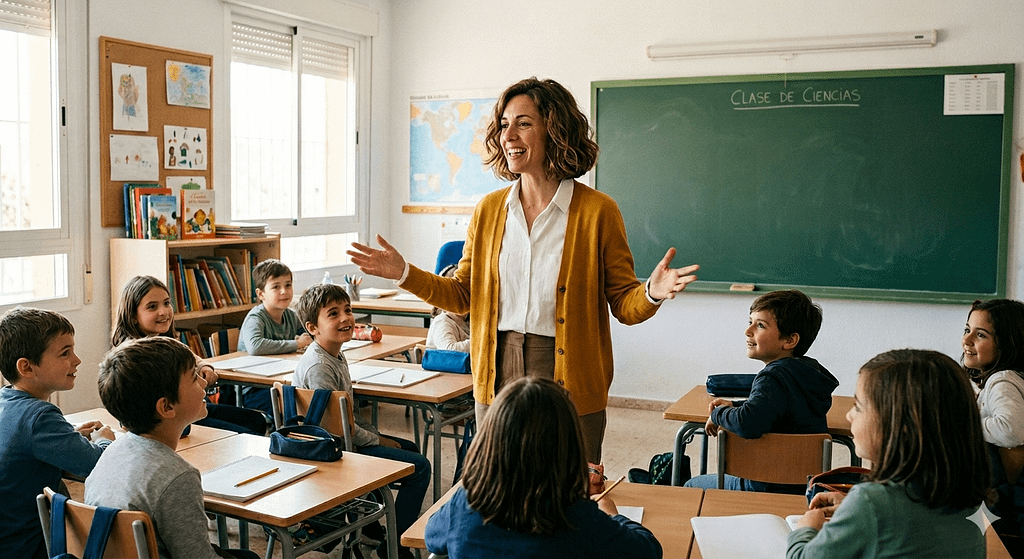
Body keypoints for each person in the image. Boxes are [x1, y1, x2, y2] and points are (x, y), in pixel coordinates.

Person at [348, 77, 700, 463]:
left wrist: (650, 291)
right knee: (500, 486)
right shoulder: (489, 210)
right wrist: (404, 272)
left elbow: (622, 303)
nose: (508, 135)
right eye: (503, 124)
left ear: (554, 128)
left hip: (569, 370)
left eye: (523, 123)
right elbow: (463, 296)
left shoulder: (598, 211)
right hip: (498, 364)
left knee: (570, 487)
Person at [424, 376, 661, 558]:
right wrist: (611, 514)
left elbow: (431, 537)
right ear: (567, 447)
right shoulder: (577, 517)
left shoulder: (466, 502)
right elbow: (648, 551)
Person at [787, 349, 991, 558]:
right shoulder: (966, 494)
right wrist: (854, 513)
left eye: (858, 406)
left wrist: (805, 529)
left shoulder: (871, 502)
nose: (849, 415)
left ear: (900, 427)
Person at [86, 336, 259, 559]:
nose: (204, 382)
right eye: (194, 378)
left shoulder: (110, 452)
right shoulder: (178, 477)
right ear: (166, 407)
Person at [292, 283, 430, 559]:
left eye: (348, 310)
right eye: (333, 314)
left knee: (409, 449)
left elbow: (347, 418)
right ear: (312, 328)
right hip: (336, 449)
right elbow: (341, 430)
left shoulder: (333, 353)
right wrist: (380, 439)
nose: (345, 318)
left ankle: (372, 523)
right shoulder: (320, 366)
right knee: (421, 468)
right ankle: (395, 546)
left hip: (341, 439)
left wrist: (377, 436)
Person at [684, 289, 837, 493]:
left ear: (790, 340)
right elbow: (780, 409)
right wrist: (735, 405)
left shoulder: (772, 377)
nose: (748, 331)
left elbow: (749, 423)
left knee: (690, 486)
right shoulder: (809, 373)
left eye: (761, 325)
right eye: (750, 322)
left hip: (763, 484)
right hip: (803, 487)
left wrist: (717, 414)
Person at [0, 307, 116, 558]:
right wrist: (104, 440)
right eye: (65, 353)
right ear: (27, 367)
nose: (77, 360)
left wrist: (70, 435)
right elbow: (98, 466)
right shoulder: (40, 417)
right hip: (34, 547)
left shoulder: (5, 402)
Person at [111, 275, 266, 435]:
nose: (163, 312)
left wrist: (203, 365)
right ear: (133, 316)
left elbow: (190, 357)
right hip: (171, 421)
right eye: (152, 307)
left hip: (190, 410)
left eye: (166, 303)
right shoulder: (132, 356)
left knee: (256, 421)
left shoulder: (164, 341)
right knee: (244, 434)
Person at [961, 298, 1024, 553]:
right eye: (967, 330)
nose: (967, 340)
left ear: (1007, 343)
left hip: (1001, 504)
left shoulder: (1002, 380)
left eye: (981, 334)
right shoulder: (1001, 379)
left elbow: (1011, 430)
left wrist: (962, 421)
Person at [237, 258, 312, 413]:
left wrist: (307, 338)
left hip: (282, 381)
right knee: (300, 403)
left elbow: (309, 335)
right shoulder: (256, 317)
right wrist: (297, 344)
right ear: (261, 294)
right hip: (255, 389)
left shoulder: (291, 315)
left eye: (288, 285)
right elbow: (256, 347)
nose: (284, 291)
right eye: (276, 287)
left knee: (314, 395)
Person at [425, 264, 470, 353]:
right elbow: (450, 350)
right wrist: (481, 342)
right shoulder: (442, 321)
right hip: (441, 366)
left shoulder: (466, 320)